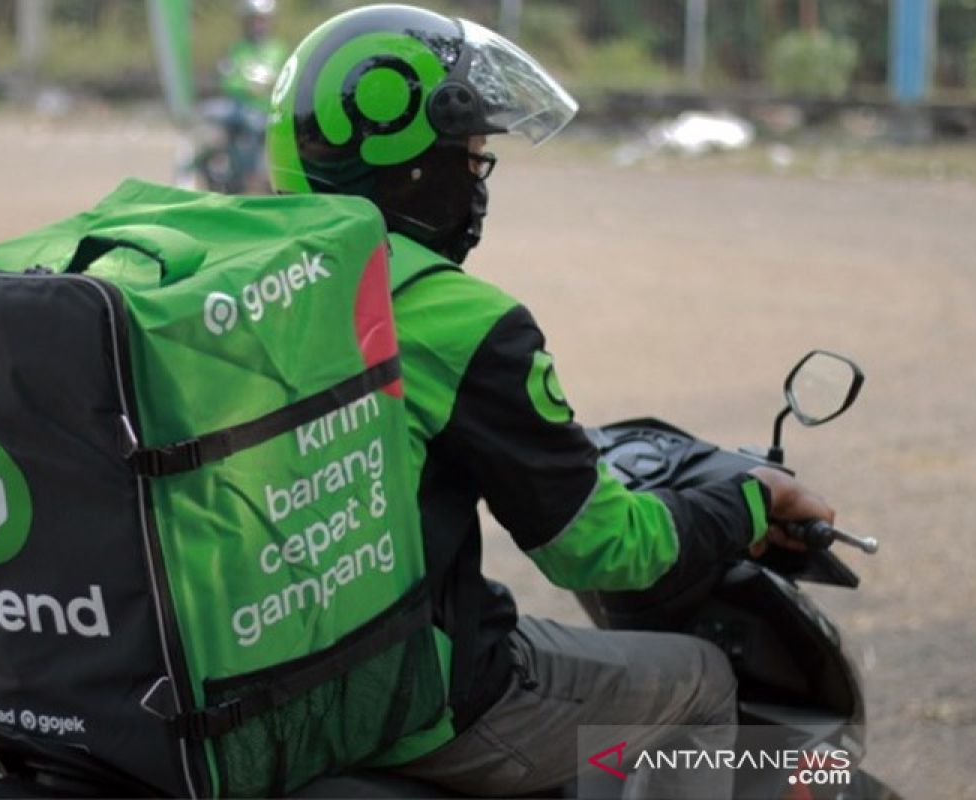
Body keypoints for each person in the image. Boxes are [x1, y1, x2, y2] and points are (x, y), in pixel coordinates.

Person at [266, 5, 834, 796]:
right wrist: (745, 503)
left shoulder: (241, 289)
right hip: (407, 705)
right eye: (471, 158)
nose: (478, 180)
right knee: (702, 678)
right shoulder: (454, 320)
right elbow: (598, 551)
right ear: (413, 163)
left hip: (248, 684)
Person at [202, 0, 287, 193]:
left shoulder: (278, 49)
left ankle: (261, 176)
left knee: (256, 126)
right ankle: (221, 170)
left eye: (261, 20)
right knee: (211, 119)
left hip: (268, 110)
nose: (257, 25)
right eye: (253, 20)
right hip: (240, 107)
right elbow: (228, 81)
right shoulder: (237, 49)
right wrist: (247, 87)